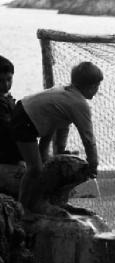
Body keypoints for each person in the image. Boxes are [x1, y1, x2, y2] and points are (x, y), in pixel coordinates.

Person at [12, 61, 102, 216]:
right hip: (24, 119)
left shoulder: (66, 93)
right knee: (35, 169)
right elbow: (88, 137)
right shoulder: (79, 103)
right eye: (96, 86)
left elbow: (59, 123)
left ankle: (45, 200)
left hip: (24, 111)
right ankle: (23, 208)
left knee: (43, 163)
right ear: (90, 87)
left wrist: (58, 149)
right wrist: (93, 163)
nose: (97, 90)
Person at [0, 55, 24, 198]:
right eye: (0, 81)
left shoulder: (6, 98)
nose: (6, 84)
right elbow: (8, 131)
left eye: (9, 79)